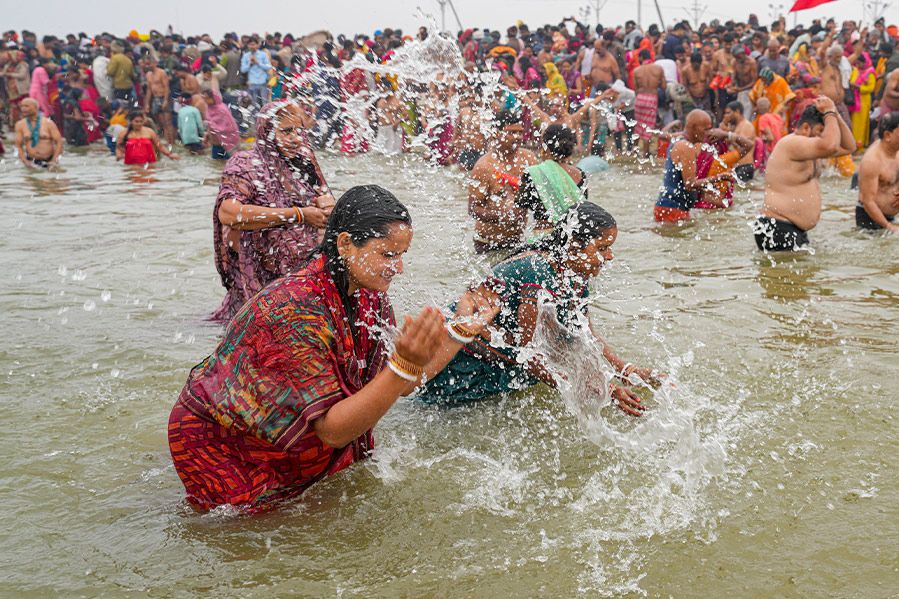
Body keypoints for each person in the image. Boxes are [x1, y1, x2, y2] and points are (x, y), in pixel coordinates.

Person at [168, 186, 499, 511]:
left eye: (402, 256)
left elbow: (401, 382)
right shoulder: (294, 309)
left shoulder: (369, 296)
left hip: (290, 443)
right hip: (227, 452)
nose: (398, 269)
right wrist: (403, 365)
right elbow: (332, 430)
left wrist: (457, 334)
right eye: (388, 254)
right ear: (345, 244)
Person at [421, 202, 660, 412]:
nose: (609, 257)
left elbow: (584, 335)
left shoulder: (575, 274)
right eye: (602, 248)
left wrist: (624, 370)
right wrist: (605, 391)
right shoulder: (538, 270)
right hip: (460, 365)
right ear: (575, 246)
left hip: (500, 363)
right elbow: (531, 353)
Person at [211, 101, 335, 322]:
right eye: (287, 131)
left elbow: (326, 198)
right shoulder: (245, 163)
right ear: (266, 132)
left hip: (300, 276)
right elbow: (229, 214)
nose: (296, 138)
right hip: (258, 277)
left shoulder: (304, 162)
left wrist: (327, 209)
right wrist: (299, 215)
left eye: (300, 131)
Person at [755, 98, 856, 251]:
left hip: (789, 228)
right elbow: (830, 145)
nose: (826, 136)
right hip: (778, 226)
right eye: (821, 131)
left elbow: (849, 146)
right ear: (806, 127)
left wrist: (834, 114)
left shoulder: (810, 148)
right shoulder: (792, 143)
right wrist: (829, 112)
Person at [468, 109, 538, 254]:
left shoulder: (529, 159)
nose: (518, 137)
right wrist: (502, 217)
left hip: (518, 241)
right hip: (488, 243)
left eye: (520, 132)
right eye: (511, 132)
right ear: (496, 133)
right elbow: (473, 209)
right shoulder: (484, 166)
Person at [653, 110, 739, 222]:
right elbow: (690, 184)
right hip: (673, 209)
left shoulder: (679, 138)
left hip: (669, 207)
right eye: (706, 129)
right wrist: (720, 177)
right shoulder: (686, 146)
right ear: (693, 128)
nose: (709, 133)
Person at [516, 124, 586, 236]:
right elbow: (583, 209)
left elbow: (520, 213)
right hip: (572, 237)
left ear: (545, 146)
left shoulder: (534, 173)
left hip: (543, 238)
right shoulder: (581, 174)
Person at [856, 112, 899, 231]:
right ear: (888, 135)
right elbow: (868, 201)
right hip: (869, 218)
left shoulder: (897, 151)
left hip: (891, 216)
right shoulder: (872, 161)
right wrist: (888, 226)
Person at [632, 50, 665, 157]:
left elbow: (636, 89)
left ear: (641, 58)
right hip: (651, 98)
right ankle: (645, 154)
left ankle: (635, 152)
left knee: (638, 126)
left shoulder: (637, 70)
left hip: (640, 98)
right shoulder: (658, 69)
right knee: (648, 127)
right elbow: (664, 87)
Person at [13, 97, 62, 168]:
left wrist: (54, 160)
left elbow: (59, 142)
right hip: (31, 161)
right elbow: (19, 146)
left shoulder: (48, 123)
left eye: (26, 106)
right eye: (22, 106)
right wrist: (25, 161)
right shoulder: (20, 125)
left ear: (36, 108)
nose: (23, 109)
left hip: (49, 160)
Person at [722, 100, 758, 181]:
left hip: (744, 167)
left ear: (737, 111)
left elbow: (742, 146)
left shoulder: (746, 125)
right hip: (735, 167)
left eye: (728, 113)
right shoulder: (734, 126)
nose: (726, 116)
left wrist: (727, 134)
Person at [201, 89, 240, 159]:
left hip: (226, 144)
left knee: (227, 164)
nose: (205, 101)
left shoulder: (222, 109)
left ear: (214, 98)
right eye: (204, 99)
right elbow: (211, 125)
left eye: (207, 99)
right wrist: (207, 135)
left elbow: (230, 127)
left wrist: (216, 129)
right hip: (215, 144)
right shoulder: (209, 109)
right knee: (215, 165)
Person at [144, 58, 174, 145]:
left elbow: (166, 87)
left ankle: (171, 143)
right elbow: (149, 90)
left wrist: (165, 100)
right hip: (156, 99)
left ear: (155, 63)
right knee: (162, 123)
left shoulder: (161, 72)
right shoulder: (148, 74)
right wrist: (147, 104)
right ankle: (168, 143)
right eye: (147, 64)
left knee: (168, 122)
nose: (148, 66)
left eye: (149, 64)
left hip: (164, 97)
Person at [849, 53, 876, 150]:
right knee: (854, 123)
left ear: (865, 62)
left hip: (863, 101)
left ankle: (859, 146)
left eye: (860, 63)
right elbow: (852, 79)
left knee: (861, 124)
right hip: (854, 101)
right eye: (857, 63)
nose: (858, 65)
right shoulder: (856, 70)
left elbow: (871, 88)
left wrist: (858, 87)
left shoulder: (870, 72)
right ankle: (853, 144)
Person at [241, 37, 272, 108]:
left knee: (265, 104)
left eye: (254, 44)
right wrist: (250, 64)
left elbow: (268, 66)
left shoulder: (263, 55)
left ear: (257, 45)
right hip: (252, 84)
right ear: (248, 46)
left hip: (262, 83)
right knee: (254, 105)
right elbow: (243, 70)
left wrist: (258, 63)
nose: (252, 46)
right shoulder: (246, 56)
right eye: (250, 45)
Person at [106, 41, 135, 105]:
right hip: (128, 86)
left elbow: (110, 72)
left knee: (119, 105)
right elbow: (131, 74)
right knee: (127, 103)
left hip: (119, 86)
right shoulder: (128, 59)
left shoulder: (115, 58)